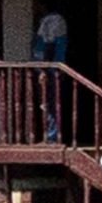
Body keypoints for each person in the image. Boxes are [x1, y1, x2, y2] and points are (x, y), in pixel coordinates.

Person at [31, 9, 68, 140]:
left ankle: (52, 136)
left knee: (51, 104)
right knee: (47, 104)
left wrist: (51, 70)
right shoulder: (49, 22)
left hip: (52, 70)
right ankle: (50, 136)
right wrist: (41, 70)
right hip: (47, 69)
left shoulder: (55, 21)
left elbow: (58, 50)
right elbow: (40, 50)